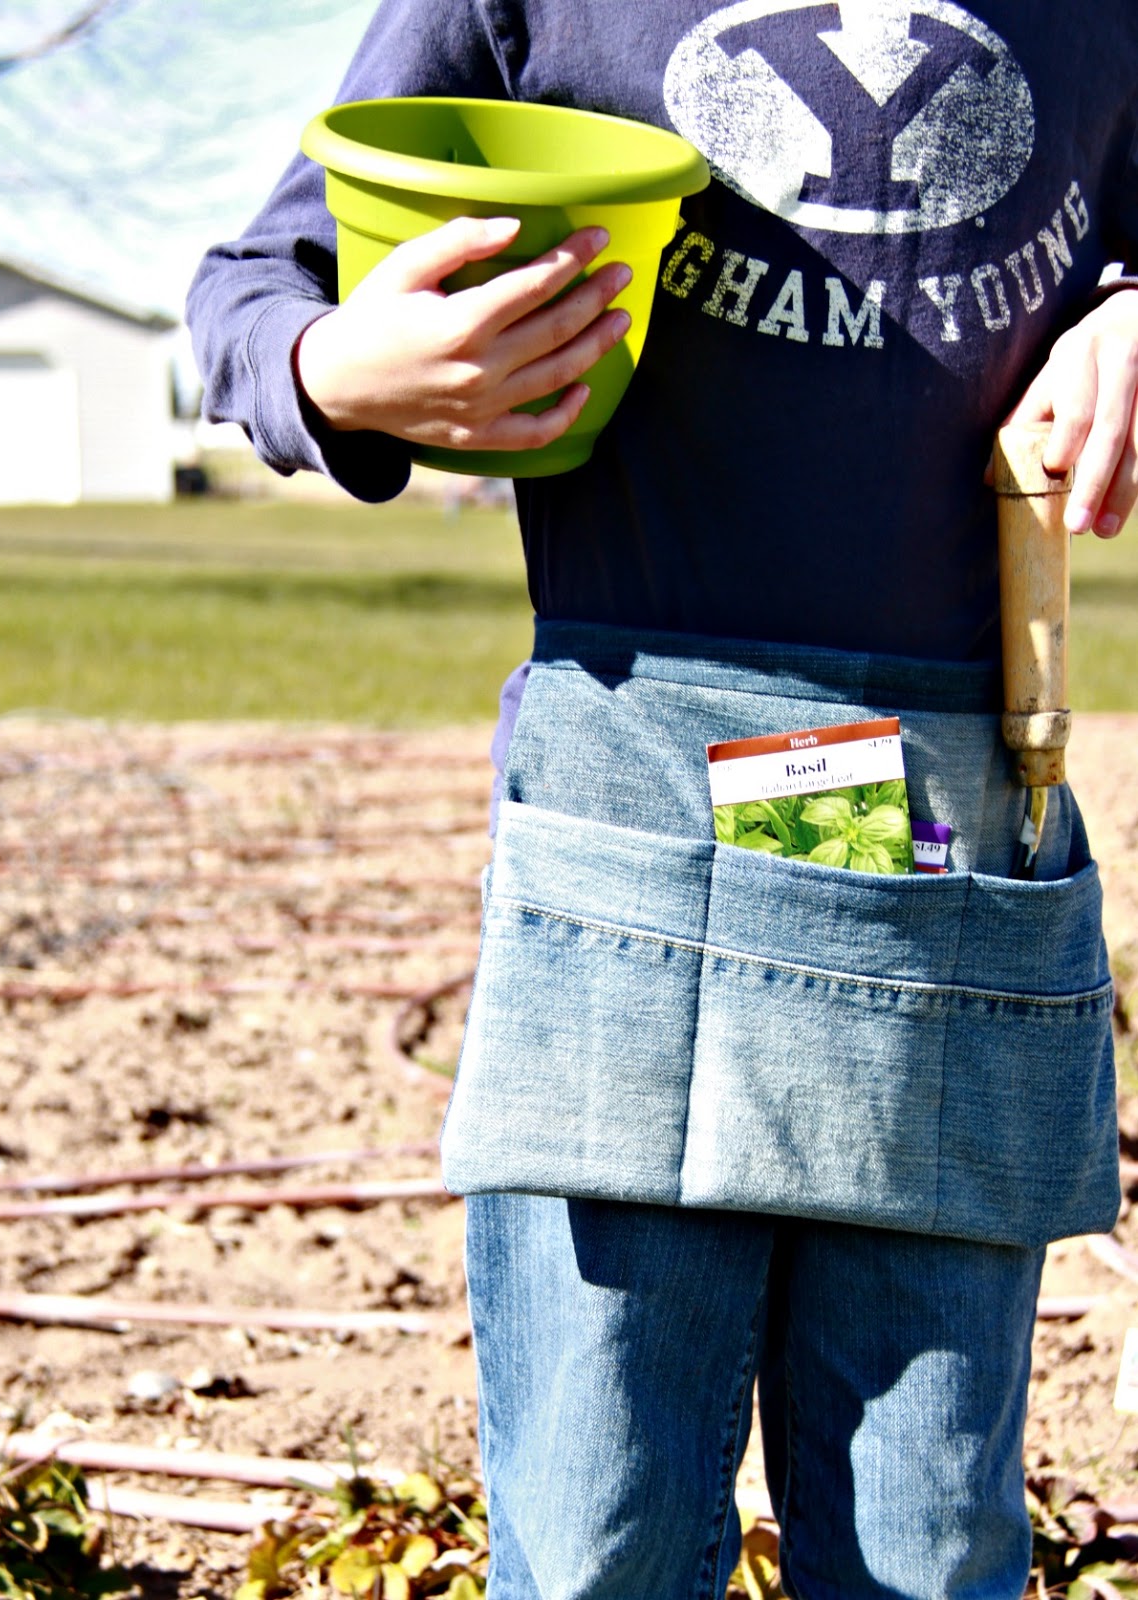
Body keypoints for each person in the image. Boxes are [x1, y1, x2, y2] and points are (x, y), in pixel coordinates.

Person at [187, 4, 1138, 1595]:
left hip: (933, 819)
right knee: (596, 1523)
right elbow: (247, 291)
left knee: (924, 1539)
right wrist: (333, 366)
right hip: (639, 790)